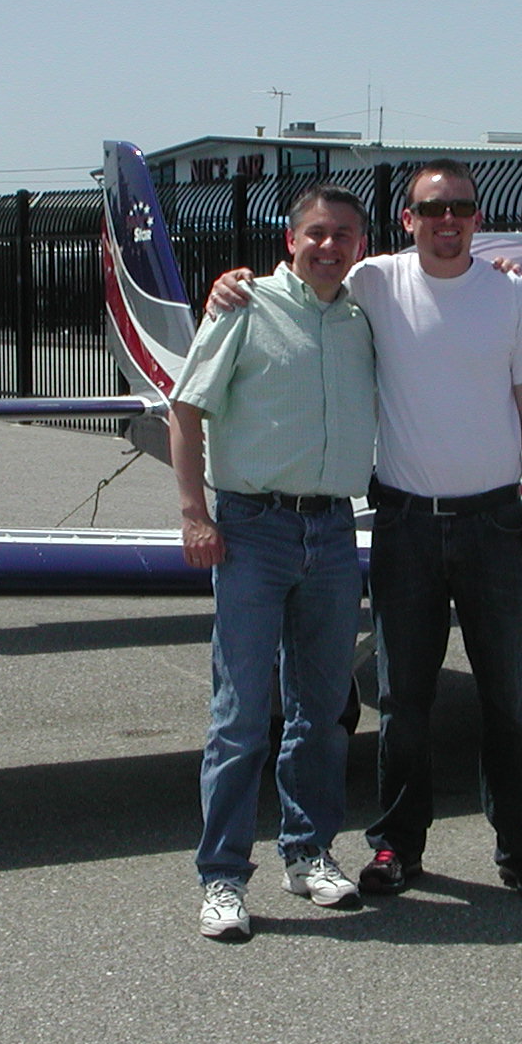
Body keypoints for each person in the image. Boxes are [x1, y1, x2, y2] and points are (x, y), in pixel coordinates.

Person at [211, 159, 522, 900]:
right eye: (433, 209)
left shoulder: (511, 294)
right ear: (407, 220)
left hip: (496, 521)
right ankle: (398, 845)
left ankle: (518, 843)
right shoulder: (373, 279)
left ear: (477, 216)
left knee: (509, 696)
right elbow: (307, 277)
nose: (448, 221)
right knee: (405, 699)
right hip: (405, 522)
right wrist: (225, 285)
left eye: (462, 208)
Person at [169, 184, 376, 942]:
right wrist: (195, 513)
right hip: (253, 530)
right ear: (291, 241)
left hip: (330, 530)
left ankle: (308, 851)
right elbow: (185, 408)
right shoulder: (244, 305)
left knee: (322, 713)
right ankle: (222, 878)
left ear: (361, 244)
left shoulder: (362, 317)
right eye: (316, 234)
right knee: (241, 716)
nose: (329, 246)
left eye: (344, 235)